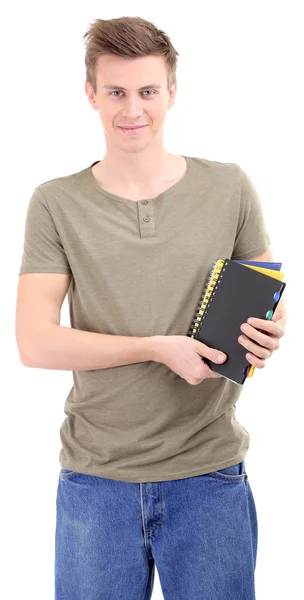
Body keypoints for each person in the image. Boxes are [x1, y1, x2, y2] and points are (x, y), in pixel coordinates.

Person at [16, 15, 287, 600]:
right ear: (91, 94)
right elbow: (34, 341)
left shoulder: (230, 187)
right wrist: (154, 349)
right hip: (96, 481)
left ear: (171, 92)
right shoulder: (56, 203)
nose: (132, 109)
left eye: (147, 91)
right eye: (115, 92)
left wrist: (271, 330)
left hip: (210, 476)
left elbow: (269, 294)